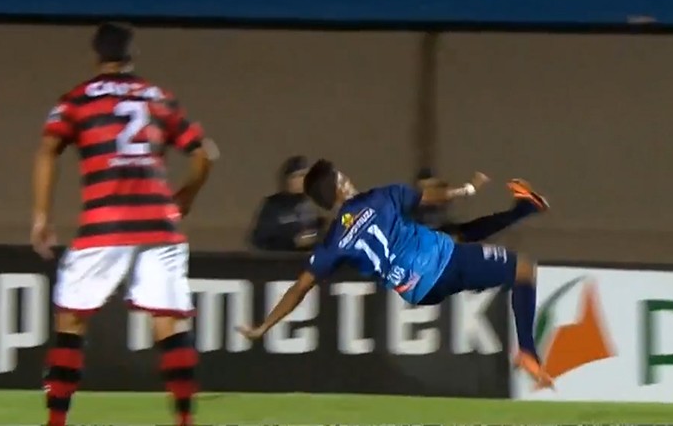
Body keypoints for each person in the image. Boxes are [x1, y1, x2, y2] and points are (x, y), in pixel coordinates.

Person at [31, 22, 216, 426]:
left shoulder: (77, 100)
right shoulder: (159, 98)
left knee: (71, 320)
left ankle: (56, 422)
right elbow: (205, 153)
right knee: (168, 322)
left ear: (95, 55)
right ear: (133, 54)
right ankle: (185, 420)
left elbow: (48, 150)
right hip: (159, 224)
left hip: (106, 223)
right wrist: (187, 194)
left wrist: (42, 217)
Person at [237, 159, 554, 388]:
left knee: (453, 236)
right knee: (522, 268)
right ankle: (527, 351)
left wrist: (264, 326)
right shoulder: (381, 197)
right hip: (442, 264)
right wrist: (469, 188)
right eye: (342, 176)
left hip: (417, 291)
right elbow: (434, 198)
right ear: (340, 184)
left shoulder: (333, 241)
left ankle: (524, 209)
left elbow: (299, 288)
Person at [249, 155, 324, 251]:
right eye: (296, 176)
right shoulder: (273, 206)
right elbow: (259, 241)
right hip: (283, 258)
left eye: (304, 176)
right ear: (287, 180)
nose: (301, 180)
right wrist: (292, 242)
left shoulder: (312, 205)